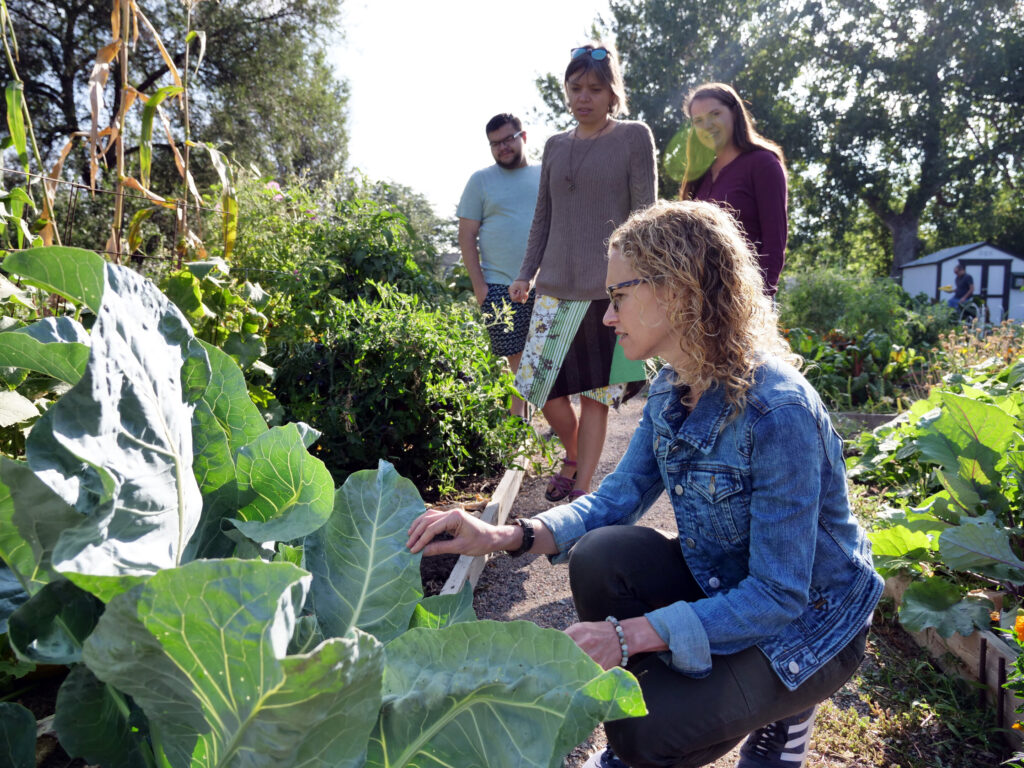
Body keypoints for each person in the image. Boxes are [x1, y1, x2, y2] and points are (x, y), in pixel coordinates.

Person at [409, 200, 884, 768]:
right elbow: (616, 500)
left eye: (618, 297)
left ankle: (782, 707)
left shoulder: (776, 412)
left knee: (642, 736)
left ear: (678, 291)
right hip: (729, 587)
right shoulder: (671, 388)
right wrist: (503, 534)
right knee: (602, 554)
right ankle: (713, 700)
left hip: (812, 624)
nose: (608, 317)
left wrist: (629, 636)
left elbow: (781, 594)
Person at [508, 42, 656, 502]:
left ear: (613, 93)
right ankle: (571, 455)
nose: (584, 97)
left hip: (608, 291)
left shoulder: (633, 136)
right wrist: (525, 272)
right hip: (553, 287)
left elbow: (645, 213)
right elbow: (542, 217)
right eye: (576, 88)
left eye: (595, 88)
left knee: (596, 394)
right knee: (537, 383)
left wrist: (644, 279)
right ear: (566, 92)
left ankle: (584, 489)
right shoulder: (554, 145)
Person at [457, 113, 543, 418]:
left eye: (507, 139)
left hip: (546, 283)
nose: (502, 147)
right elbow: (466, 236)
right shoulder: (480, 181)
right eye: (495, 143)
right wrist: (480, 287)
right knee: (514, 357)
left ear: (523, 136)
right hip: (498, 284)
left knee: (543, 357)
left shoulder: (545, 174)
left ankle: (535, 418)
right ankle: (518, 423)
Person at [678, 82, 788, 297]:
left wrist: (758, 300)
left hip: (746, 296)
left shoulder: (763, 163)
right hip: (701, 299)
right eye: (698, 121)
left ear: (735, 113)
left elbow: (775, 242)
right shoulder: (698, 173)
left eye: (715, 114)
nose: (707, 125)